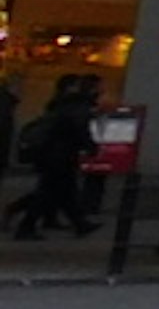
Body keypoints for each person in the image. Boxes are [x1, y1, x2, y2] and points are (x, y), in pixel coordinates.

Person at [6, 79, 98, 239]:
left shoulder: (61, 106)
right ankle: (25, 227)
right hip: (61, 157)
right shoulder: (79, 108)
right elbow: (80, 130)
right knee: (49, 193)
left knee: (63, 192)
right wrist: (91, 147)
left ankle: (79, 223)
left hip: (52, 155)